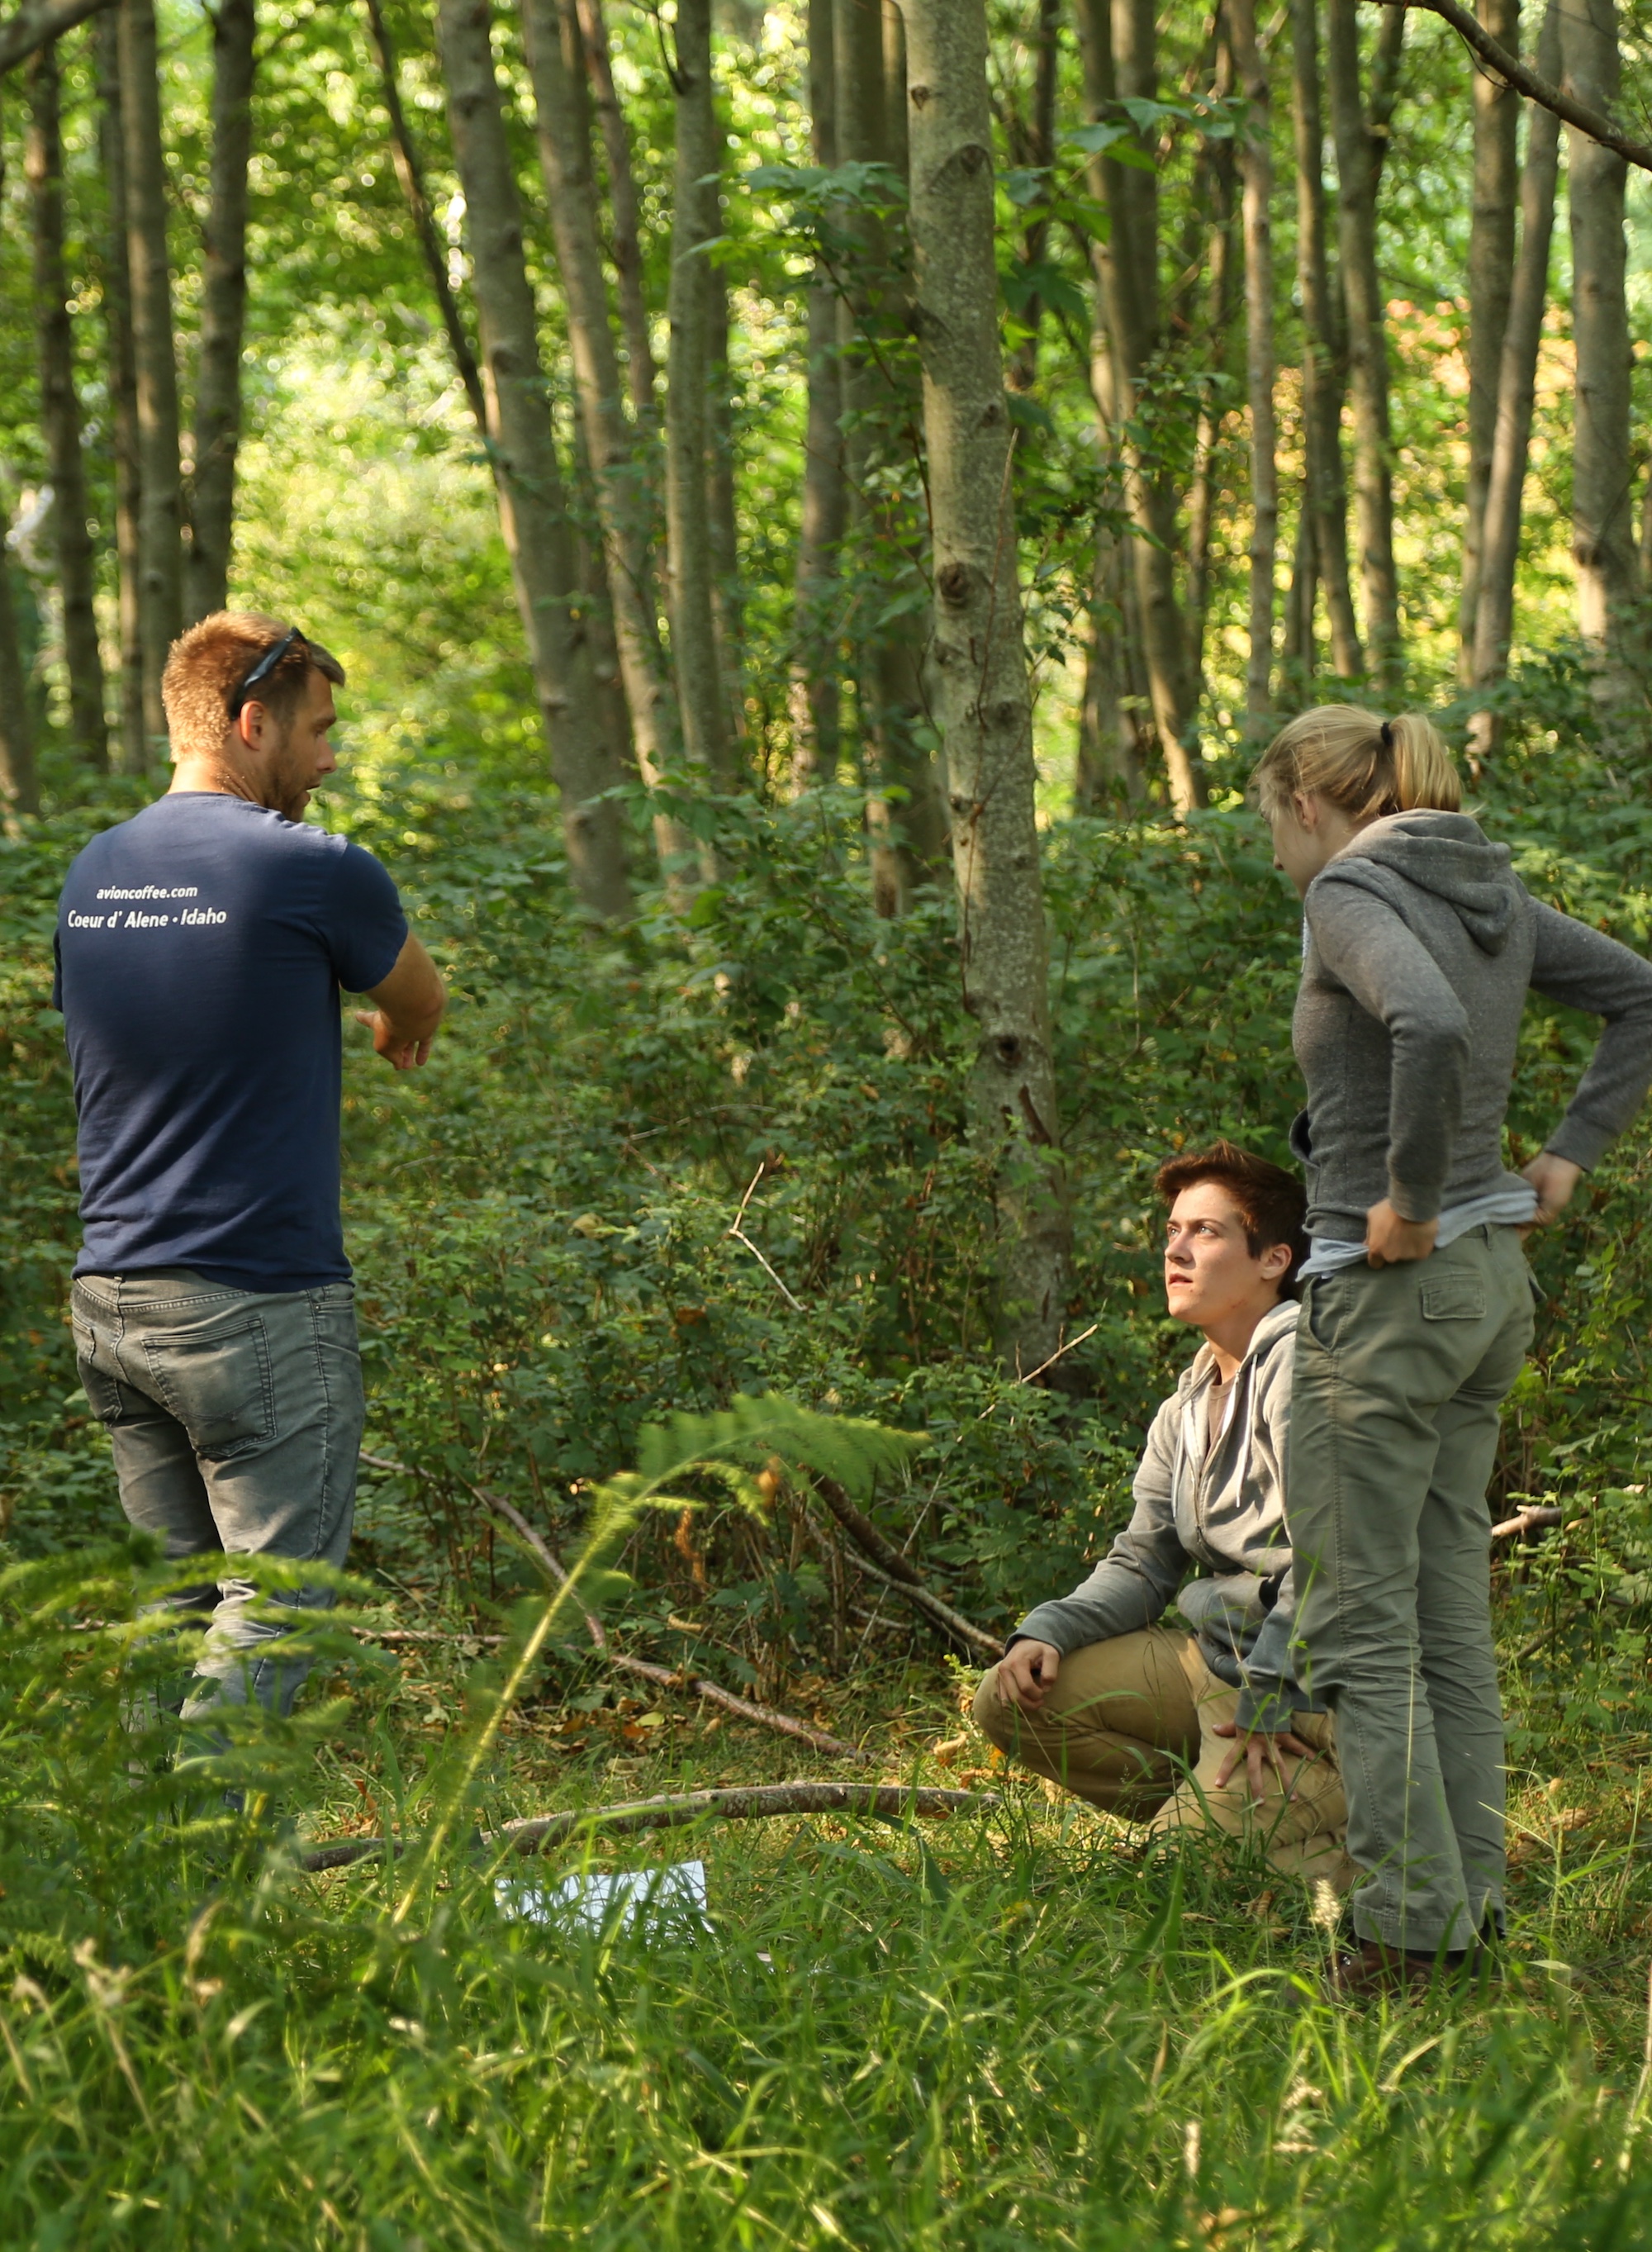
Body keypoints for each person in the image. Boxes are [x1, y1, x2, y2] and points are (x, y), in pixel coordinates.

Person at [1253, 704, 1652, 1993]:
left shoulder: (1353, 892)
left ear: (1311, 802)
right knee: (1442, 1614)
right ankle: (1464, 1909)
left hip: (1391, 1293)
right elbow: (1641, 995)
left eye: (1271, 820)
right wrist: (1563, 1161)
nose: (1274, 848)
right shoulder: (1486, 885)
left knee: (1364, 1629)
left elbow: (1420, 1021)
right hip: (1489, 1292)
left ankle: (1402, 1934)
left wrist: (1412, 1195)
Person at [55, 612, 445, 1750]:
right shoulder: (311, 866)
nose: (329, 759)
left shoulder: (93, 873)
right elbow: (418, 998)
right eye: (318, 732)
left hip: (114, 1297)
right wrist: (388, 1025)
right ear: (249, 720)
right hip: (255, 1299)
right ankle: (202, 1872)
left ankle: (129, 1873)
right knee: (280, 1604)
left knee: (172, 1613)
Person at [974, 1143, 1355, 1891]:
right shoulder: (1185, 1406)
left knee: (1175, 1883)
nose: (1176, 1248)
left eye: (1205, 1232)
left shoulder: (1304, 1369)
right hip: (1219, 1668)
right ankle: (1228, 1824)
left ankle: (1314, 1828)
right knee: (1010, 1698)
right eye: (1173, 1230)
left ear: (1273, 1258)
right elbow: (1143, 1563)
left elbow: (1335, 1552)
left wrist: (1271, 1692)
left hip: (1317, 1693)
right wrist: (1045, 1630)